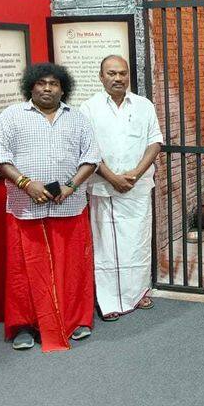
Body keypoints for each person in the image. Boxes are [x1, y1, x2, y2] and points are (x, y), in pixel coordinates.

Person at [0, 63, 100, 351]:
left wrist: (71, 186)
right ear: (31, 86)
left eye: (54, 84)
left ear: (63, 88)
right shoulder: (12, 116)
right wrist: (26, 183)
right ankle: (25, 325)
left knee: (73, 266)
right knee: (24, 271)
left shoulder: (78, 119)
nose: (47, 88)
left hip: (69, 206)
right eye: (41, 83)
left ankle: (75, 320)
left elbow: (92, 157)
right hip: (26, 209)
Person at [80, 55, 162, 321]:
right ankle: (110, 301)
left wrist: (135, 174)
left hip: (137, 188)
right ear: (101, 76)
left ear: (129, 76)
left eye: (122, 73)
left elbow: (154, 142)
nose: (118, 78)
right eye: (112, 73)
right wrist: (111, 177)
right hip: (104, 187)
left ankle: (138, 293)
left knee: (137, 241)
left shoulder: (143, 105)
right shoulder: (89, 108)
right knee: (107, 246)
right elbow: (86, 150)